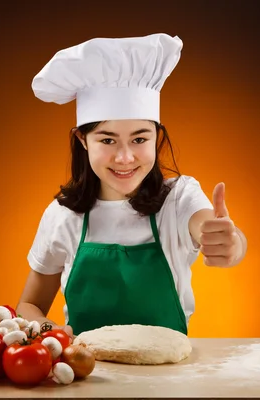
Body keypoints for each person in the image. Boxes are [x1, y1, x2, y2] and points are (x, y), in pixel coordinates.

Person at [16, 33, 247, 338]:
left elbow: (209, 227)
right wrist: (55, 333)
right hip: (86, 377)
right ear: (82, 140)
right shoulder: (63, 215)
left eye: (139, 139)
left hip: (166, 379)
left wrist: (231, 243)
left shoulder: (178, 200)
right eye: (108, 139)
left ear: (157, 138)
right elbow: (29, 305)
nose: (125, 157)